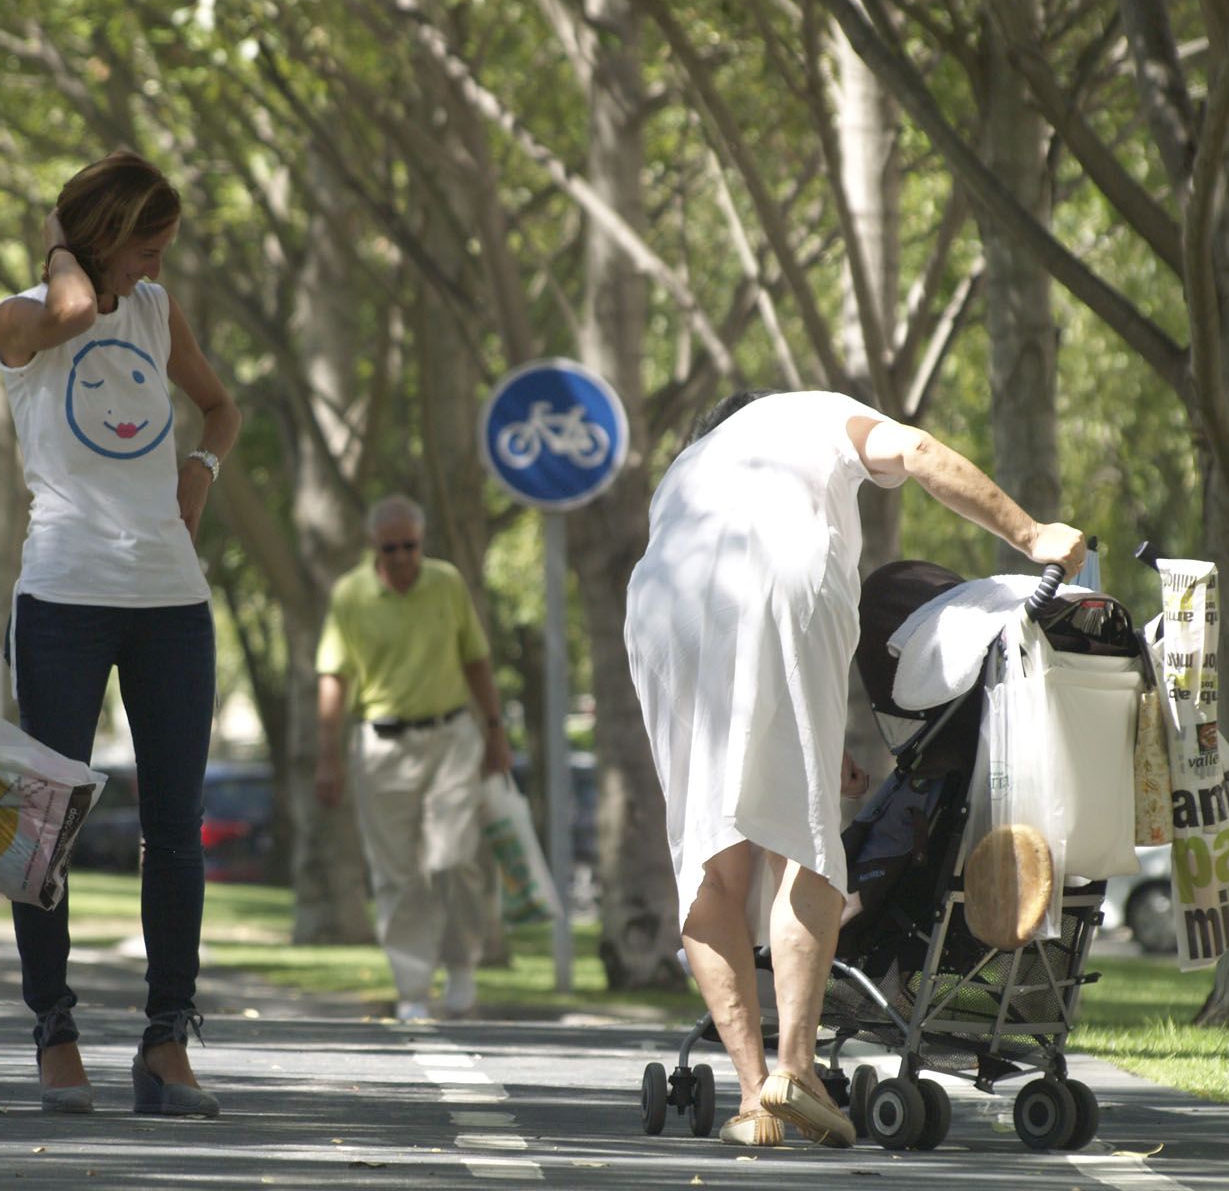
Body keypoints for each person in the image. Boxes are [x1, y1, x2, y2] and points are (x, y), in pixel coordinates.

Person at [625, 389, 1084, 1148]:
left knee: (710, 858)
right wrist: (1034, 534)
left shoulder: (686, 469)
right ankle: (796, 1071)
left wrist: (818, 743)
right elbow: (919, 454)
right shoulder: (812, 411)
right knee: (805, 847)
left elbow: (735, 653)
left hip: (661, 606)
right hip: (781, 577)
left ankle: (748, 1102)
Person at [0, 150, 240, 1116]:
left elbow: (220, 407)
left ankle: (167, 1043)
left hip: (172, 601)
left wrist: (200, 473)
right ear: (95, 238)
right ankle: (56, 1033)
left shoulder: (157, 312)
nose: (153, 267)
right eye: (144, 247)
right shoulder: (19, 319)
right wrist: (62, 249)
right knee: (45, 826)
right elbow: (67, 315)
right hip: (62, 597)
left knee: (176, 833)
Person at [315, 496, 513, 1021]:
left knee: (452, 858)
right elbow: (333, 677)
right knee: (397, 874)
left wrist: (496, 730)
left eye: (411, 545)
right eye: (391, 547)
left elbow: (476, 659)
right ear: (373, 547)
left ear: (421, 542)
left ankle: (462, 966)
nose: (403, 556)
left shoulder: (446, 582)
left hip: (452, 735)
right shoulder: (351, 595)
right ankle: (412, 990)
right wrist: (327, 758)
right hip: (381, 745)